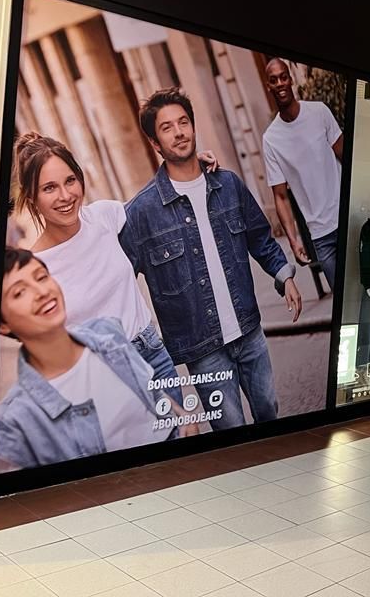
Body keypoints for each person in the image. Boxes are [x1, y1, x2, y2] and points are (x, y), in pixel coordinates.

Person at [121, 88, 302, 429]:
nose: (179, 132)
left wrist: (284, 274)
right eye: (167, 127)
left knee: (269, 412)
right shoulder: (142, 213)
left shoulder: (227, 184)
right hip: (202, 350)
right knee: (230, 430)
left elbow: (259, 237)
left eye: (184, 122)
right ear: (155, 143)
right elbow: (118, 276)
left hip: (248, 330)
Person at [12, 133, 216, 404]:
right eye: (49, 188)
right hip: (102, 378)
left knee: (182, 439)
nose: (65, 196)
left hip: (153, 356)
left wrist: (186, 168)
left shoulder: (104, 216)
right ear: (32, 197)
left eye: (70, 180)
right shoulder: (35, 267)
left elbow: (150, 205)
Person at [0, 248, 175, 472]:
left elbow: (153, 393)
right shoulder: (14, 423)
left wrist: (183, 420)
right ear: (2, 325)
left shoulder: (107, 333)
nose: (41, 292)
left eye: (42, 277)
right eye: (19, 293)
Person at [261, 58, 343, 289]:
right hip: (320, 235)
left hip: (345, 218)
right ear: (269, 86)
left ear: (290, 79)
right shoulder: (271, 139)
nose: (280, 83)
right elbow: (280, 195)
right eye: (273, 80)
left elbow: (343, 155)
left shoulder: (319, 113)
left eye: (283, 77)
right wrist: (293, 239)